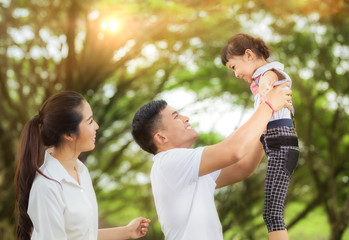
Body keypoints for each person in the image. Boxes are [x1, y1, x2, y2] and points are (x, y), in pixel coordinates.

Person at [131, 82, 292, 239]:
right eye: (176, 117)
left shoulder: (186, 168)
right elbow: (233, 150)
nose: (186, 118)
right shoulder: (168, 162)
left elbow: (242, 168)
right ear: (161, 137)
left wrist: (266, 128)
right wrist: (268, 106)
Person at [15, 91, 151, 240]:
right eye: (90, 121)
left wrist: (126, 232)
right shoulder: (46, 186)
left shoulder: (81, 171)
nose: (97, 126)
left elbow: (82, 236)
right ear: (69, 134)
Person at [221, 33, 299, 240]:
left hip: (281, 144)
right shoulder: (258, 79)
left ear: (248, 55)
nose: (235, 74)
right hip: (278, 144)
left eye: (233, 67)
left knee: (272, 214)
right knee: (272, 214)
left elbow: (271, 76)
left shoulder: (269, 72)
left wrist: (265, 85)